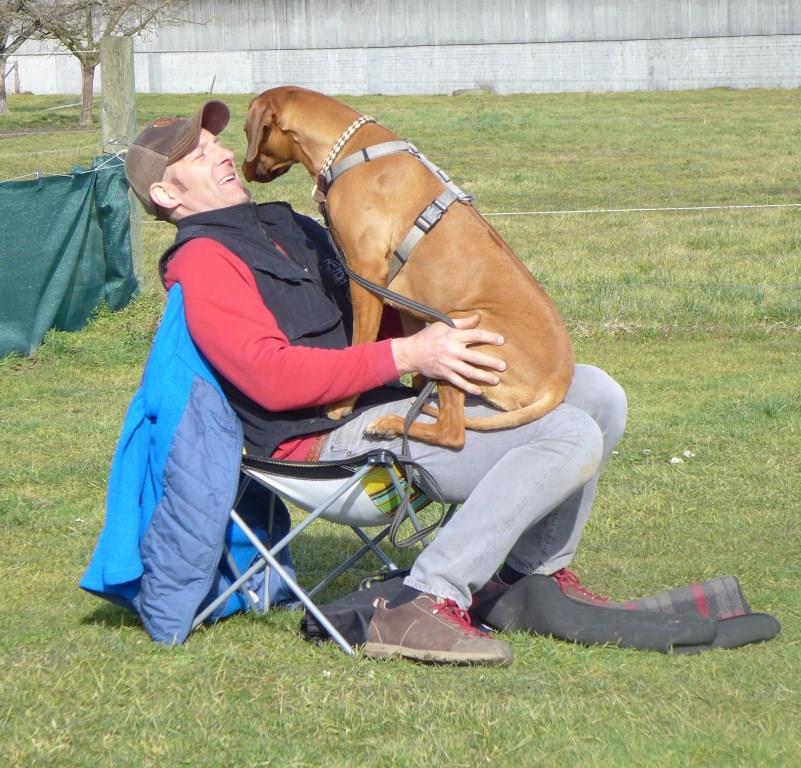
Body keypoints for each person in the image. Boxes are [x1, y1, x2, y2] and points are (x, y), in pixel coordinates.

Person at [124, 100, 628, 667]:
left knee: (598, 395)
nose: (221, 153)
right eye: (197, 154)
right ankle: (429, 597)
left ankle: (524, 580)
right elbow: (270, 377)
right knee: (570, 434)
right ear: (168, 196)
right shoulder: (203, 261)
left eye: (215, 141)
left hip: (389, 403)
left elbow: (385, 309)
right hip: (323, 441)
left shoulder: (290, 226)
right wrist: (409, 354)